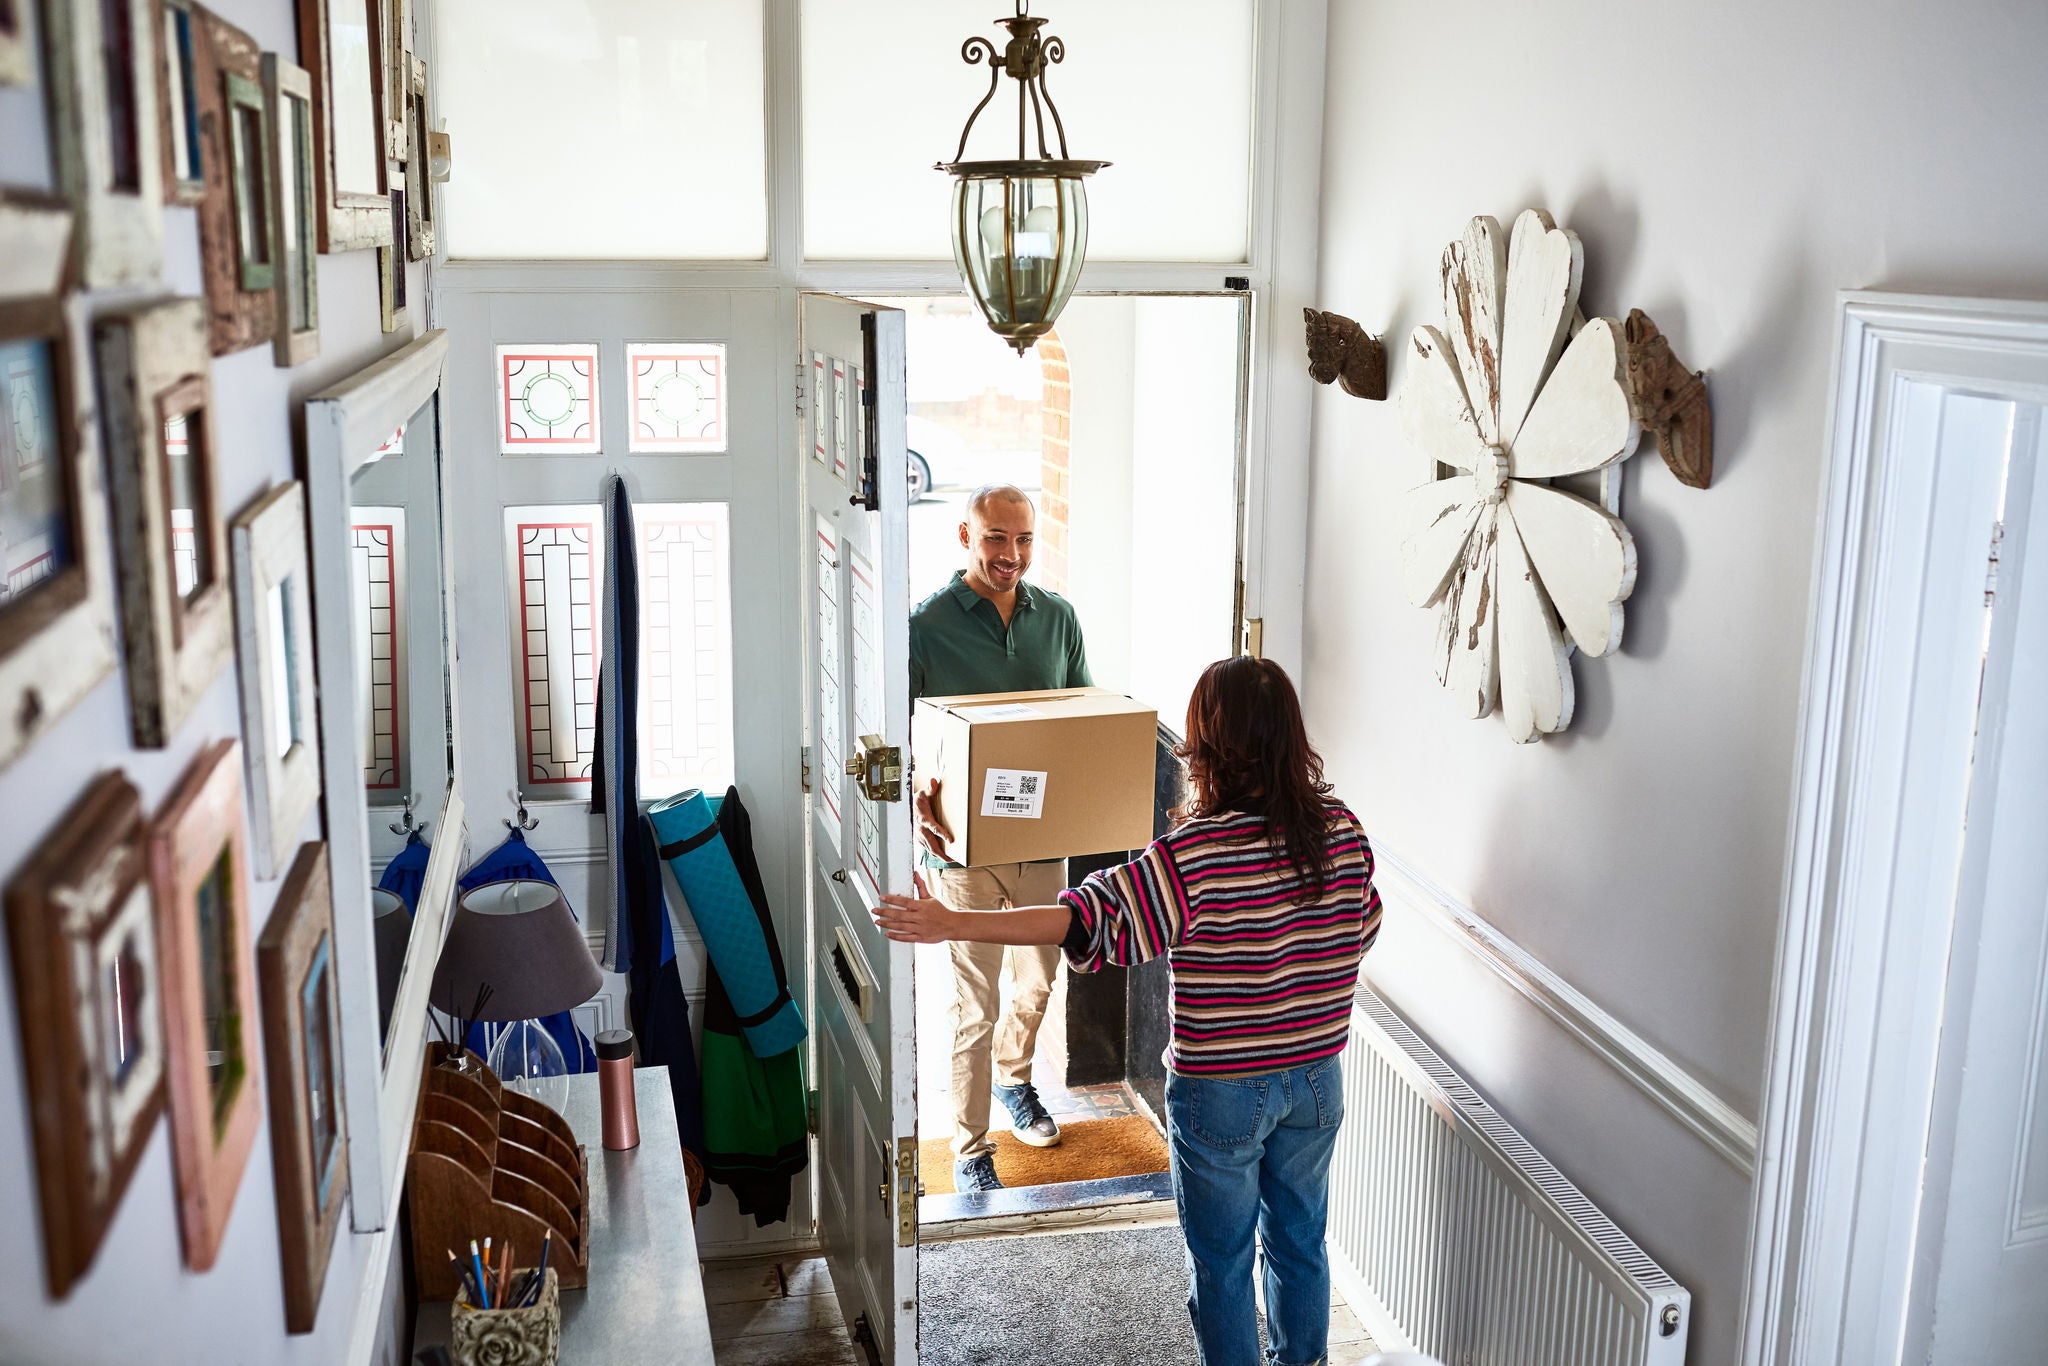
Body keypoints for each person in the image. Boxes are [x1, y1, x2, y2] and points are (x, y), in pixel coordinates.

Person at [877, 655, 1381, 1366]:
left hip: (1222, 1097)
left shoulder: (1194, 857)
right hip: (1317, 1082)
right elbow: (1363, 928)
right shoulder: (1342, 831)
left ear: (1206, 747)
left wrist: (952, 922)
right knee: (1300, 1245)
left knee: (1225, 1266)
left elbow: (1079, 920)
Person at [909, 483, 1092, 1194]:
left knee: (1038, 982)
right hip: (961, 846)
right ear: (965, 537)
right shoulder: (926, 628)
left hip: (1042, 843)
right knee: (974, 1003)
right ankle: (969, 1144)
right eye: (995, 538)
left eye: (1022, 540)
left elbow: (1080, 719)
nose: (1010, 554)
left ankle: (1016, 1081)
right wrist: (914, 801)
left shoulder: (1058, 619)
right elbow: (898, 738)